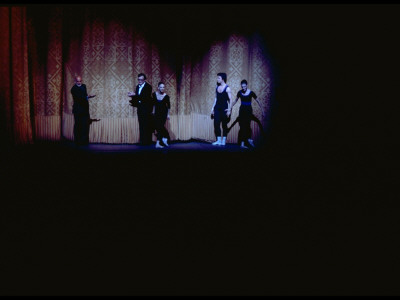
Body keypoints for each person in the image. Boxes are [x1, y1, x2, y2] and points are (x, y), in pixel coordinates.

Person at [231, 79, 264, 148]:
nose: (243, 88)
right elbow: (235, 101)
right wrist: (230, 107)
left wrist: (262, 111)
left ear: (247, 85)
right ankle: (243, 144)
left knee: (247, 126)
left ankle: (249, 140)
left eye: (245, 86)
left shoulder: (251, 93)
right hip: (242, 111)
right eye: (242, 87)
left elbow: (258, 102)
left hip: (248, 111)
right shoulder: (239, 93)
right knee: (242, 127)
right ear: (241, 86)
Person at [128, 73, 154, 145]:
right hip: (140, 109)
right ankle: (142, 141)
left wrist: (135, 95)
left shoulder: (148, 87)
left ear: (144, 80)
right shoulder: (137, 87)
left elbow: (145, 98)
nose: (140, 81)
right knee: (141, 125)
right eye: (139, 79)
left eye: (141, 80)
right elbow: (138, 98)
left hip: (146, 109)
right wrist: (132, 96)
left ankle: (148, 142)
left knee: (147, 125)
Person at [70, 75, 96, 146]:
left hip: (84, 109)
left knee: (85, 125)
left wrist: (88, 96)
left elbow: (84, 96)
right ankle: (78, 141)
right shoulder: (73, 89)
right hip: (78, 110)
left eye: (80, 81)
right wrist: (88, 96)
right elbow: (79, 98)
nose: (79, 82)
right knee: (78, 125)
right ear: (75, 81)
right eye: (78, 81)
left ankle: (84, 141)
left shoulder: (84, 86)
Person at [210, 72, 232, 146]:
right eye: (217, 78)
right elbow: (216, 98)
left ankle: (224, 141)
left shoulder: (227, 88)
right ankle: (219, 140)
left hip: (224, 108)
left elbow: (230, 100)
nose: (217, 79)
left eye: (218, 78)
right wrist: (212, 108)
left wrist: (229, 110)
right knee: (216, 124)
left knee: (224, 125)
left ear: (222, 79)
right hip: (217, 108)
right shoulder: (217, 87)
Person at [152, 82, 171, 149]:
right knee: (158, 127)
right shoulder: (154, 94)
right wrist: (153, 111)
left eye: (163, 87)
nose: (162, 88)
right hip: (157, 113)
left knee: (160, 128)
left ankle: (158, 143)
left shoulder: (166, 96)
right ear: (158, 87)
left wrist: (168, 115)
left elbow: (168, 107)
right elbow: (153, 104)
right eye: (161, 87)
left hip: (163, 114)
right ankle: (165, 138)